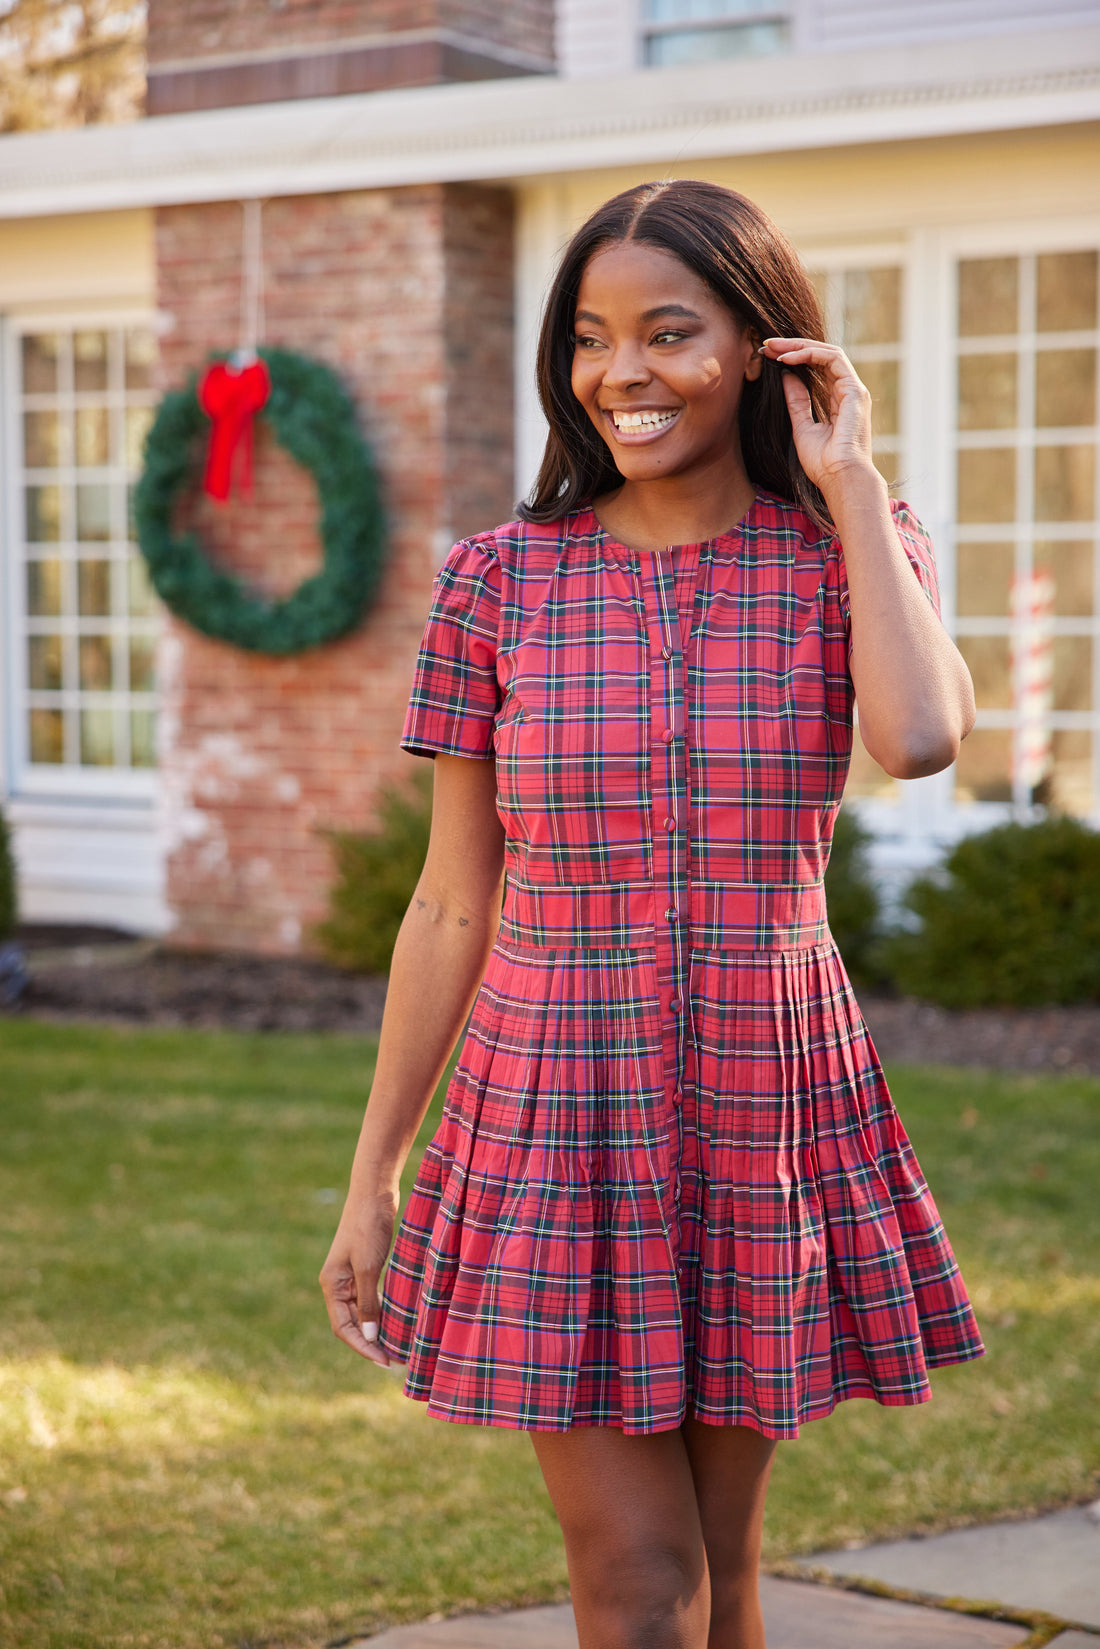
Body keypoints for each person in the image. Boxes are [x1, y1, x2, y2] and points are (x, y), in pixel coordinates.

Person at [320, 179, 985, 1649]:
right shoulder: (501, 581)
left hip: (768, 1095)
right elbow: (448, 900)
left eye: (671, 332)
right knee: (636, 1580)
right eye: (592, 338)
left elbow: (924, 734)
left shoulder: (846, 554)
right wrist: (377, 1168)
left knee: (727, 1570)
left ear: (763, 347)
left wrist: (854, 485)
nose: (623, 372)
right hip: (556, 1099)